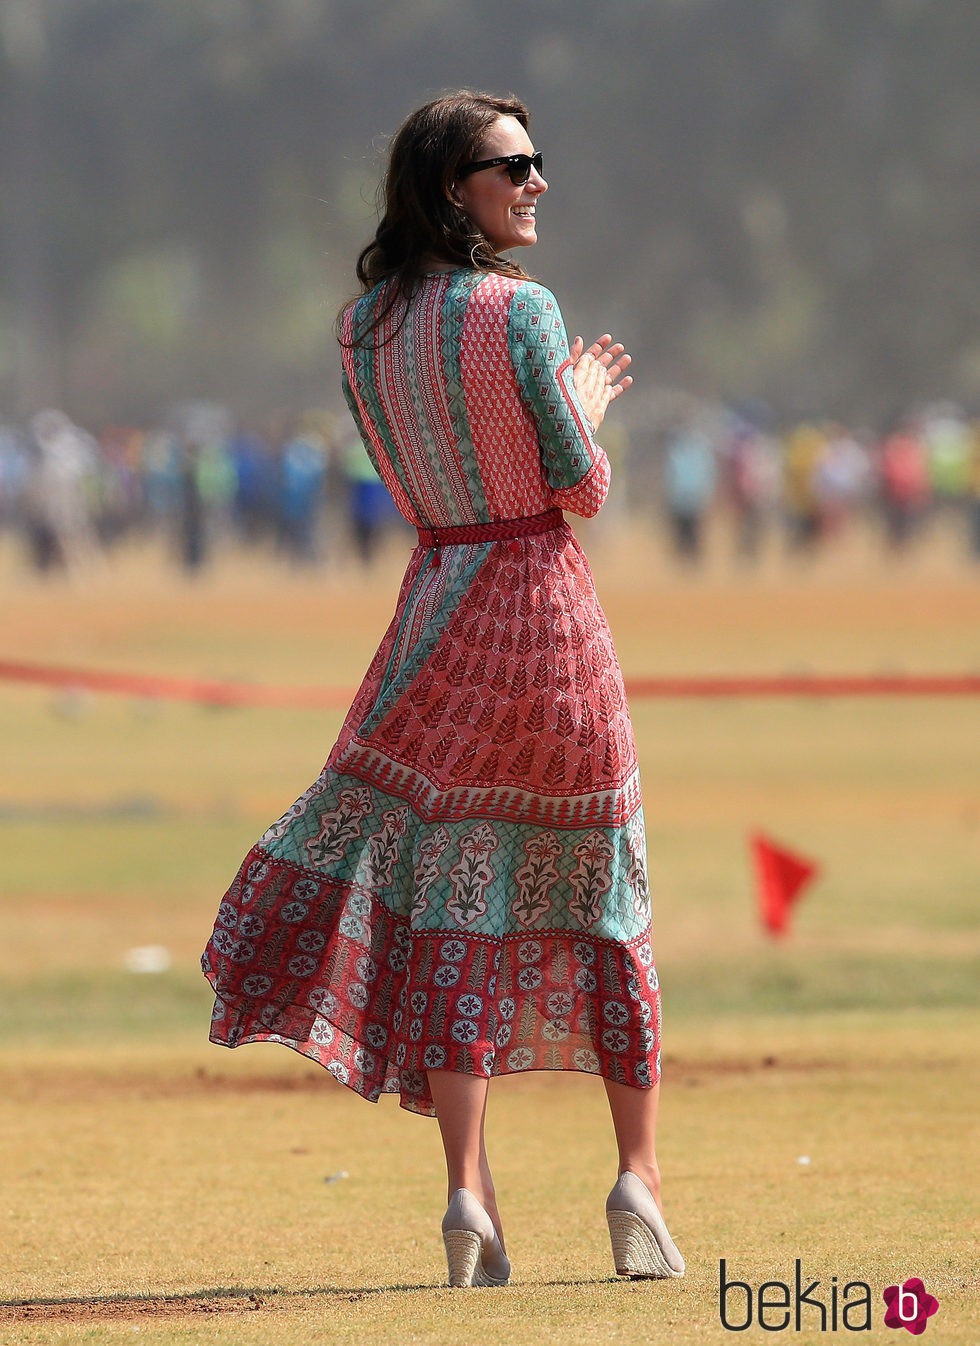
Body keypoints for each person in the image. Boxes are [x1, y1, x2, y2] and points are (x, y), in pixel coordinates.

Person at [202, 90, 684, 1290]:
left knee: (456, 901)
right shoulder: (523, 311)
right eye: (510, 167)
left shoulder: (364, 329)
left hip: (435, 615)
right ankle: (638, 1181)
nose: (533, 184)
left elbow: (417, 490)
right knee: (604, 888)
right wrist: (584, 401)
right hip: (544, 616)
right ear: (448, 185)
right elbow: (578, 488)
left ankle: (466, 1196)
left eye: (533, 163)